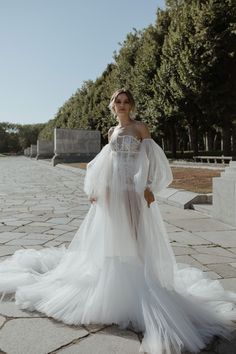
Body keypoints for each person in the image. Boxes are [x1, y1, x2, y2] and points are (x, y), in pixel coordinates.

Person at [0, 88, 236, 354]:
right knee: (113, 237)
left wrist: (148, 186)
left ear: (131, 105)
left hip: (134, 193)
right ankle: (116, 286)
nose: (122, 105)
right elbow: (104, 162)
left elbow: (152, 160)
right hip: (113, 194)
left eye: (126, 102)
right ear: (112, 105)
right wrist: (97, 189)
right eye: (118, 102)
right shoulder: (112, 132)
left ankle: (142, 283)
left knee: (136, 237)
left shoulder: (140, 128)